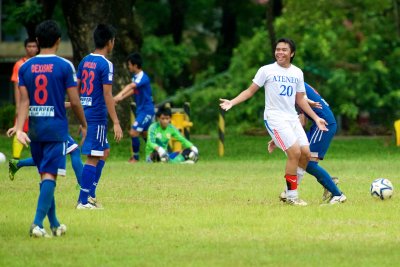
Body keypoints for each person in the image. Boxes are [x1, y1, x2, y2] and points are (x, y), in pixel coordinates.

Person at [220, 38, 328, 206]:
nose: (279, 52)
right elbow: (250, 91)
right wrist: (232, 102)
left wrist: (315, 118)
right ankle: (292, 197)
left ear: (292, 53)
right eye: (277, 49)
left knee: (306, 154)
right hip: (274, 118)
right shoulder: (266, 70)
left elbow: (300, 99)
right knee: (294, 153)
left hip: (292, 118)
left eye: (284, 50)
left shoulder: (297, 73)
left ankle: (288, 191)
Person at [15, 20, 87, 237]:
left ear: (37, 41)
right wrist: (84, 124)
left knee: (46, 176)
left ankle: (54, 224)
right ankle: (37, 224)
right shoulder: (65, 66)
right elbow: (74, 102)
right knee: (49, 176)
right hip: (56, 130)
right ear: (58, 40)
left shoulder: (25, 67)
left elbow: (23, 102)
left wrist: (19, 128)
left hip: (35, 129)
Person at [269, 82, 347, 205]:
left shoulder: (292, 83)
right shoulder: (296, 84)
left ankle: (337, 194)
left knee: (309, 162)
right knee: (303, 158)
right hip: (321, 124)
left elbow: (303, 112)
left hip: (323, 125)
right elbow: (301, 121)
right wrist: (280, 136)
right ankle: (290, 192)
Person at [76, 24, 123, 209]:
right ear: (109, 42)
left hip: (87, 113)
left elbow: (77, 89)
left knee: (104, 152)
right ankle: (83, 200)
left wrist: (81, 116)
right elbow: (106, 94)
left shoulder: (85, 61)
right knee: (93, 157)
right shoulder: (106, 64)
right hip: (96, 115)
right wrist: (116, 122)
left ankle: (91, 195)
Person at [114, 52, 155, 163]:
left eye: (129, 64)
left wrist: (118, 95)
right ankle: (156, 154)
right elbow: (133, 90)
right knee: (145, 134)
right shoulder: (136, 77)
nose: (128, 66)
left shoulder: (142, 77)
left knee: (133, 132)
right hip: (141, 110)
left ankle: (135, 158)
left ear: (135, 65)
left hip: (147, 110)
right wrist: (121, 98)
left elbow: (131, 86)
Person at [8, 133, 83, 187]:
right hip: (52, 125)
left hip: (43, 125)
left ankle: (17, 164)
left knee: (45, 157)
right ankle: (82, 185)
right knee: (74, 150)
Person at [10, 38, 39, 160]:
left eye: (34, 46)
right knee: (20, 129)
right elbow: (16, 86)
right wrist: (18, 107)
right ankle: (15, 160)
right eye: (29, 46)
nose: (31, 48)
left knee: (38, 132)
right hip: (24, 103)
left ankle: (38, 158)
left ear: (37, 48)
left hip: (39, 104)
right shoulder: (19, 64)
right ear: (25, 47)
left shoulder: (41, 63)